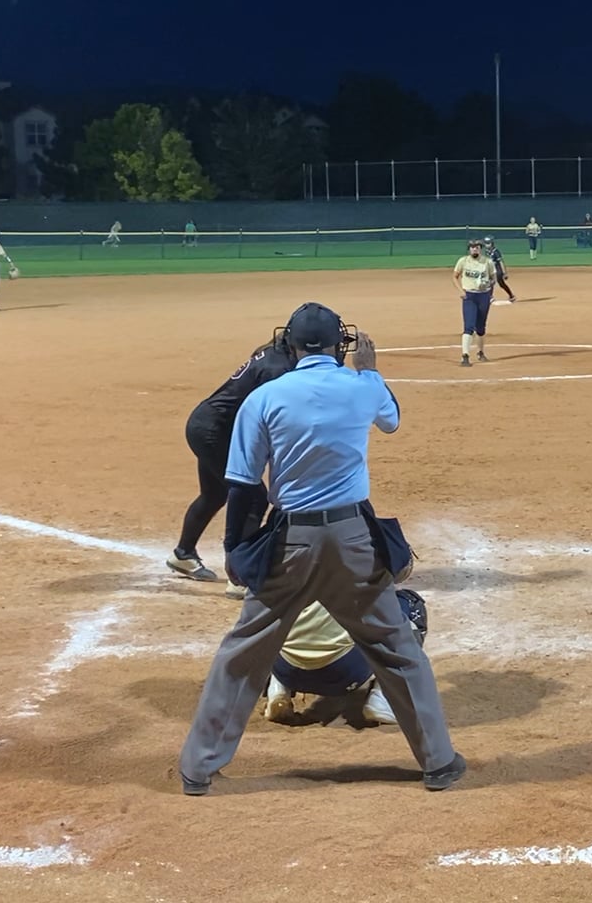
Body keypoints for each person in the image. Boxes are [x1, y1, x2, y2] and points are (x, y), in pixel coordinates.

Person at [177, 303, 463, 795]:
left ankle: (198, 769)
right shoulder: (362, 386)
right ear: (339, 345)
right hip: (353, 541)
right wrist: (369, 371)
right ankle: (438, 763)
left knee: (242, 653)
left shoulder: (263, 398)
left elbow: (243, 485)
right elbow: (391, 421)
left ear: (289, 344)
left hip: (290, 542)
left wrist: (235, 551)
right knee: (397, 650)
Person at [169, 339, 297, 587]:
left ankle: (183, 554)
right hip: (215, 432)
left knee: (215, 494)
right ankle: (240, 576)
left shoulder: (274, 355)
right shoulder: (279, 370)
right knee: (254, 498)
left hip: (208, 424)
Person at [259, 590, 430, 729]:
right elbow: (398, 571)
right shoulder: (353, 558)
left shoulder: (271, 561)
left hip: (284, 669)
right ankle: (383, 698)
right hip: (344, 672)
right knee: (407, 603)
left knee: (272, 612)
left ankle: (278, 689)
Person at [453, 240, 496, 367]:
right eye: (472, 247)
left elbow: (493, 278)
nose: (474, 249)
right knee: (469, 326)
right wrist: (461, 291)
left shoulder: (487, 262)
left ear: (480, 249)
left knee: (481, 327)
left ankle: (480, 352)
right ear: (469, 249)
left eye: (476, 247)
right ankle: (465, 356)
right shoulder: (463, 261)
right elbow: (454, 276)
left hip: (483, 296)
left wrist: (488, 284)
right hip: (469, 296)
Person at [482, 236, 518, 304]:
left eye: (488, 243)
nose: (487, 245)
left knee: (501, 284)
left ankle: (511, 295)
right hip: (491, 270)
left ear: (492, 243)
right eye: (486, 243)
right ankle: (490, 297)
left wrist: (504, 272)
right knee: (491, 282)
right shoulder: (487, 251)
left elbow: (501, 262)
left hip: (498, 269)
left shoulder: (496, 251)